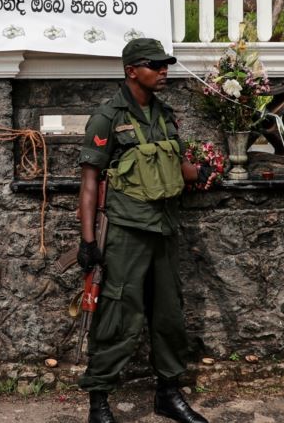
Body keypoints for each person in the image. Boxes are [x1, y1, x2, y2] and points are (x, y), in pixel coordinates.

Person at [76, 38, 209, 423]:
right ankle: (98, 402)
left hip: (164, 229)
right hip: (126, 233)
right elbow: (89, 182)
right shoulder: (106, 117)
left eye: (166, 64)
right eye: (155, 64)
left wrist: (199, 171)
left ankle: (168, 394)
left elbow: (172, 163)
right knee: (117, 315)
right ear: (131, 70)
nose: (164, 70)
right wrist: (88, 242)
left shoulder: (166, 115)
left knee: (169, 316)